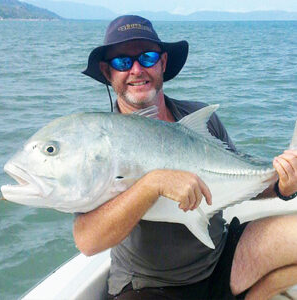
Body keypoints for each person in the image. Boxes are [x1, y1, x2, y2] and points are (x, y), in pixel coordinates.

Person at [75, 15, 297, 299]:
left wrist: (282, 185)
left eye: (147, 57)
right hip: (150, 285)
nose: (136, 69)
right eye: (122, 62)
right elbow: (88, 241)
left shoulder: (198, 119)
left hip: (222, 259)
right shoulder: (102, 144)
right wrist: (152, 183)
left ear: (163, 63)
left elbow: (239, 181)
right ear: (108, 73)